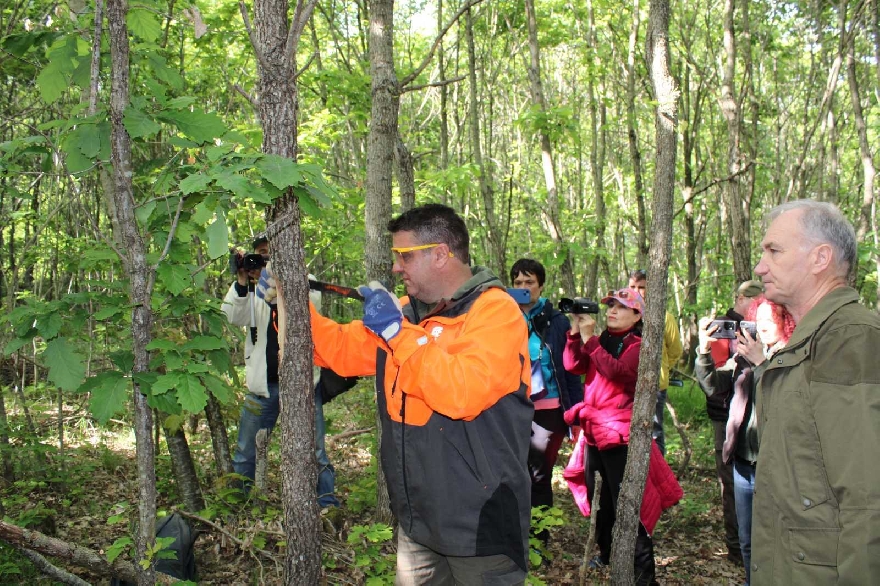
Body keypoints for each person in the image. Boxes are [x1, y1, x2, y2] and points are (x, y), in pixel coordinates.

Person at [309, 204, 533, 584]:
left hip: (480, 526)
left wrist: (397, 334)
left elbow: (461, 393)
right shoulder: (406, 315)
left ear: (441, 254)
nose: (397, 267)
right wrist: (288, 306)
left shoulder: (496, 313)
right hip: (418, 520)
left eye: (406, 256)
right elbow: (340, 349)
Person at [751, 199, 880, 585]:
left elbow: (867, 498)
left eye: (774, 250)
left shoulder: (848, 338)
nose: (760, 266)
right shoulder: (810, 339)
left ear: (820, 258)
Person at [562, 288, 682, 586]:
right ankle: (607, 555)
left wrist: (590, 341)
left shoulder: (640, 346)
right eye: (610, 306)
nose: (612, 311)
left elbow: (617, 372)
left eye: (620, 307)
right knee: (599, 502)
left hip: (621, 437)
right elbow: (573, 365)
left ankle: (643, 577)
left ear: (637, 314)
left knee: (630, 509)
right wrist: (575, 335)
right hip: (594, 435)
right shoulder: (602, 340)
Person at [222, 238, 342, 507]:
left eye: (271, 254)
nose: (265, 260)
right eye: (261, 254)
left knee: (316, 451)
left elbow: (311, 308)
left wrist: (277, 282)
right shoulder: (253, 291)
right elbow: (232, 316)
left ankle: (326, 504)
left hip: (301, 388)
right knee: (245, 451)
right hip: (262, 386)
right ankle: (238, 506)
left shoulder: (305, 281)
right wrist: (243, 281)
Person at [695, 294, 795, 585]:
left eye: (769, 319)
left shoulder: (790, 357)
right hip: (742, 464)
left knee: (775, 540)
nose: (761, 326)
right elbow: (713, 387)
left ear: (784, 321)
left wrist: (761, 362)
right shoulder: (742, 358)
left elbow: (785, 400)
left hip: (774, 465)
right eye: (757, 319)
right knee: (748, 541)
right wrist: (703, 350)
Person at [509, 259, 583, 534]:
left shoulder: (556, 321)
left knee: (538, 474)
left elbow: (571, 370)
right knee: (513, 472)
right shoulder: (503, 316)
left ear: (541, 285)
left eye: (529, 282)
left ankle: (539, 539)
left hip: (549, 407)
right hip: (512, 405)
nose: (524, 287)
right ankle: (515, 534)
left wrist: (575, 414)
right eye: (518, 282)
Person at [697, 279, 763, 565]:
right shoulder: (723, 327)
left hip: (759, 434)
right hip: (727, 421)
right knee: (732, 489)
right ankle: (737, 548)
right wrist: (703, 348)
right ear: (740, 298)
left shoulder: (772, 346)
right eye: (751, 299)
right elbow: (714, 381)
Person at [628, 269, 682, 456]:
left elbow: (675, 351)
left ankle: (659, 480)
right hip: (626, 385)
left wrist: (661, 371)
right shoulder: (622, 314)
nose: (637, 291)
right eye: (633, 286)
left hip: (654, 387)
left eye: (641, 287)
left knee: (654, 433)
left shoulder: (664, 317)